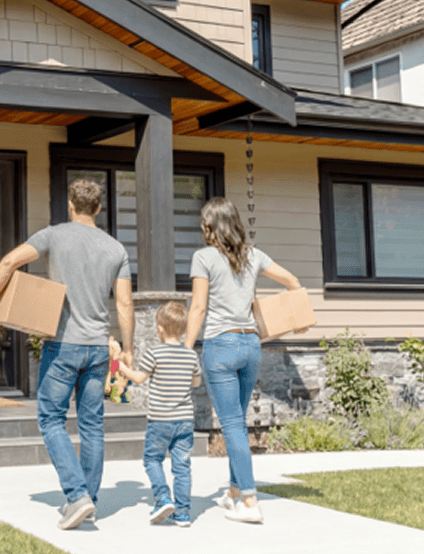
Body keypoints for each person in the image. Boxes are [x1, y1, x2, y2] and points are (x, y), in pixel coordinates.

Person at [0, 178, 134, 530]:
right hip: (98, 348)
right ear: (98, 208)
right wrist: (128, 349)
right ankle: (87, 501)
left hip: (63, 346)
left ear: (70, 204)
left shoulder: (53, 235)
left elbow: (8, 263)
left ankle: (77, 495)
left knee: (50, 419)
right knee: (92, 426)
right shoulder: (116, 249)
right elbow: (124, 303)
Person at [183, 197, 302, 525]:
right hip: (250, 345)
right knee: (238, 420)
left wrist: (184, 348)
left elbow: (198, 308)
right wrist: (286, 316)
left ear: (210, 226)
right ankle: (235, 491)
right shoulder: (255, 255)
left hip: (220, 346)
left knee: (232, 424)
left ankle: (249, 500)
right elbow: (293, 282)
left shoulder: (203, 257)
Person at [109, 301, 201, 527]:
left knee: (152, 459)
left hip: (160, 421)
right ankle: (183, 513)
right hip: (185, 421)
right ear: (183, 330)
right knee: (182, 467)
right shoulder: (191, 356)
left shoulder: (154, 353)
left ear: (159, 329)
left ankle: (162, 498)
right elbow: (196, 382)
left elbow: (139, 378)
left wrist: (117, 366)